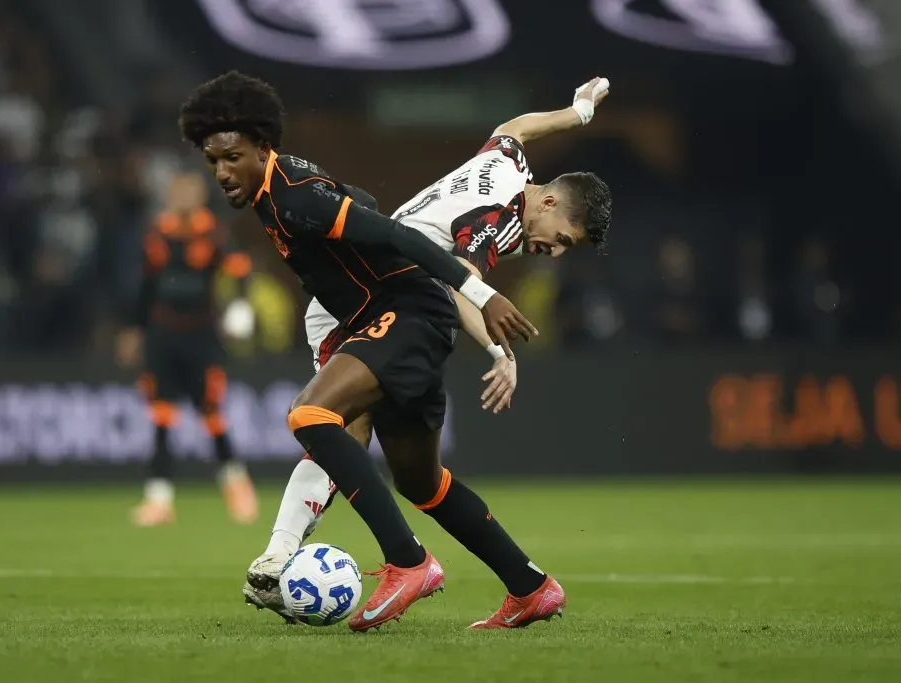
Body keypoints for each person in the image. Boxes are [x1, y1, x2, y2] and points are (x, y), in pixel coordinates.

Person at [179, 71, 609, 631]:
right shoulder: (493, 219)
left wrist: (576, 114)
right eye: (563, 238)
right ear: (549, 200)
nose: (552, 252)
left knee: (320, 419)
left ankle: (392, 561)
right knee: (406, 473)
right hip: (376, 296)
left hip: (392, 300)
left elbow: (511, 135)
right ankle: (529, 587)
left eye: (230, 158)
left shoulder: (503, 178)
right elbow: (453, 274)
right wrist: (495, 339)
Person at [117, 172, 259, 526]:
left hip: (200, 335)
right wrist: (134, 329)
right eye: (176, 190)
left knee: (210, 412)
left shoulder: (212, 230)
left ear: (198, 196)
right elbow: (146, 286)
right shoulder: (157, 232)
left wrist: (240, 306)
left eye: (188, 191)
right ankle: (159, 499)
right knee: (161, 415)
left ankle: (236, 483)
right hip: (163, 335)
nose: (181, 197)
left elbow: (240, 270)